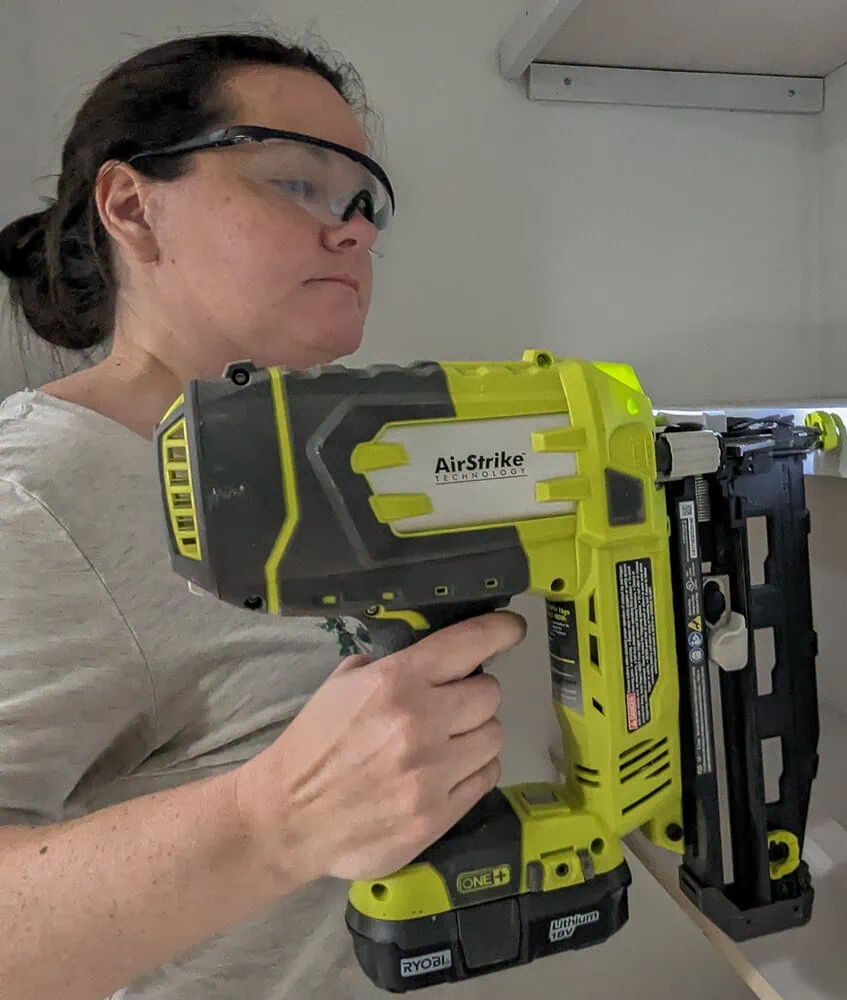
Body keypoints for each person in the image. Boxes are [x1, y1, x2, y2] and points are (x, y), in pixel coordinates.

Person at [0, 31, 525, 1000]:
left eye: (365, 202)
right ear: (131, 205)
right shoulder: (36, 499)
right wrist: (270, 821)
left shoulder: (326, 460)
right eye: (298, 182)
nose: (357, 230)